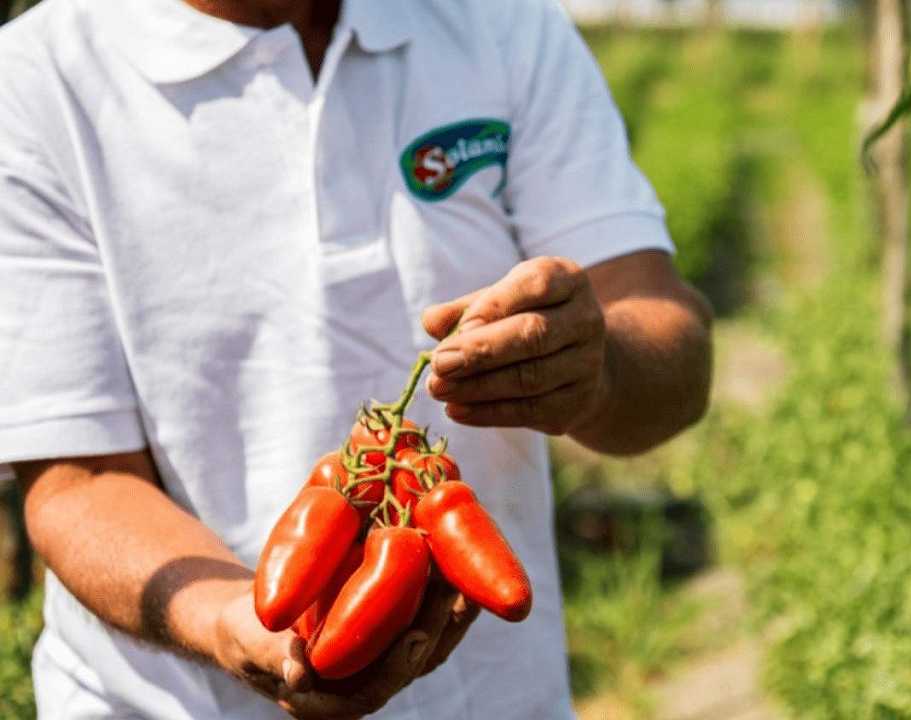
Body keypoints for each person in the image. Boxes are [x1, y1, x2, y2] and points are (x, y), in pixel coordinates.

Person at [0, 0, 713, 716]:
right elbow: (76, 481)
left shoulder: (503, 24)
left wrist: (598, 373)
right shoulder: (38, 78)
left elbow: (668, 339)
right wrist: (226, 618)